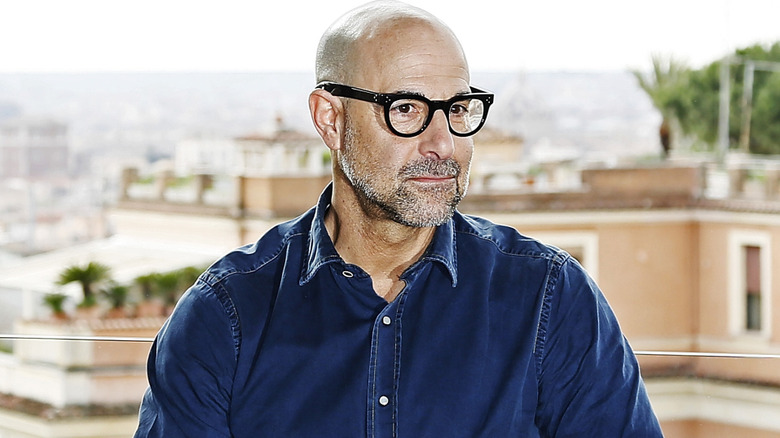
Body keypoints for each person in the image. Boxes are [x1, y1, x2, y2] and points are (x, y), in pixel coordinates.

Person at [134, 1, 664, 436]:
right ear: (330, 119)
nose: (443, 144)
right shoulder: (227, 316)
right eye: (406, 109)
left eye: (457, 109)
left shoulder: (550, 299)